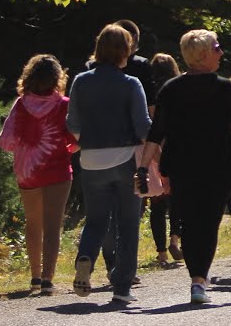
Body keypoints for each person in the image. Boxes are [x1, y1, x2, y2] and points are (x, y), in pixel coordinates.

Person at [142, 29, 231, 305]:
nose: (221, 52)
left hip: (181, 166)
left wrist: (143, 167)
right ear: (203, 54)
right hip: (217, 166)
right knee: (208, 223)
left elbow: (156, 133)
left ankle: (197, 278)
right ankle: (199, 279)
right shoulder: (225, 88)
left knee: (190, 222)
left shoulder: (171, 89)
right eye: (216, 47)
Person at [67, 23, 150, 305]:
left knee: (95, 221)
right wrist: (157, 146)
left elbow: (73, 123)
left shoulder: (81, 81)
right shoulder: (131, 83)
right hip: (125, 159)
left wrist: (88, 140)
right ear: (125, 51)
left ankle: (85, 257)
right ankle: (122, 286)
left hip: (90, 160)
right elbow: (142, 126)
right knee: (127, 224)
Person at [0, 54, 77, 297]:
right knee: (53, 225)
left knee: (33, 223)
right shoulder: (64, 104)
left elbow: (6, 141)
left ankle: (34, 276)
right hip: (57, 170)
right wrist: (66, 149)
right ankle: (47, 280)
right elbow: (76, 139)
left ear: (29, 76)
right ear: (57, 78)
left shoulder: (21, 104)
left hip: (28, 172)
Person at [146, 53, 182, 268]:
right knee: (177, 198)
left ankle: (161, 253)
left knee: (157, 201)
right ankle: (175, 239)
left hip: (153, 147)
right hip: (175, 147)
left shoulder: (149, 92)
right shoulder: (177, 89)